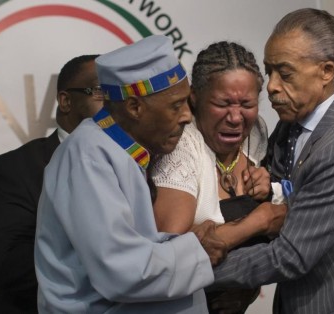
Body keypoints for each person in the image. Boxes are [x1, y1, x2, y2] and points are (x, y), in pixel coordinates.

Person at [212, 8, 334, 313]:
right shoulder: (290, 124)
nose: (272, 86)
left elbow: (291, 255)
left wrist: (193, 269)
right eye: (269, 72)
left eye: (285, 73)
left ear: (326, 72)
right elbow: (281, 199)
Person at [34, 35, 227, 314]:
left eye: (188, 104)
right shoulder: (88, 157)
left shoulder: (118, 149)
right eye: (176, 106)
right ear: (135, 107)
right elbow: (123, 272)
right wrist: (203, 247)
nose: (187, 116)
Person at [151, 41, 287, 313]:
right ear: (195, 99)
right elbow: (169, 258)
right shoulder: (181, 148)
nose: (236, 117)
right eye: (222, 103)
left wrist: (247, 288)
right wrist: (259, 220)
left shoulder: (256, 134)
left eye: (247, 104)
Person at [0, 54, 103, 313]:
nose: (117, 104)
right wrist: (117, 265)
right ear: (65, 101)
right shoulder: (9, 173)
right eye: (101, 92)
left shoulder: (146, 163)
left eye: (122, 94)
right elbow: (11, 268)